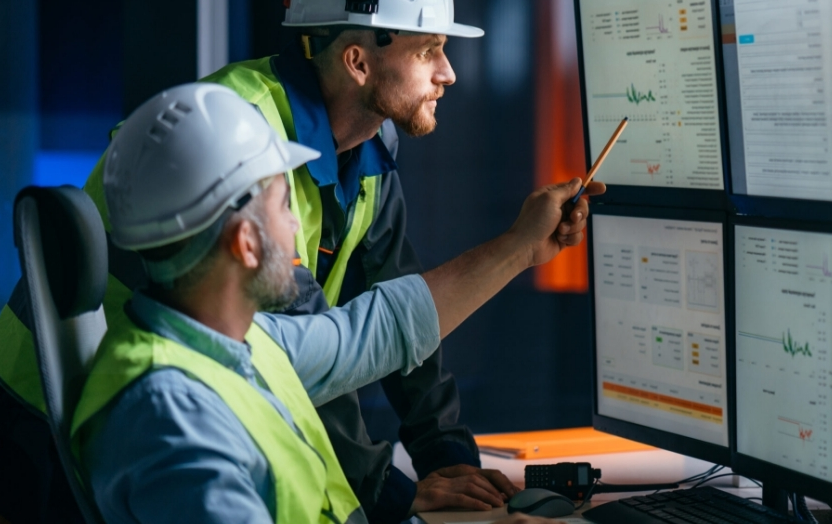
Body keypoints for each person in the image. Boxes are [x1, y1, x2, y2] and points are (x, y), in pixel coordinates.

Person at [0, 0, 567, 523]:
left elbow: (389, 322)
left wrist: (447, 460)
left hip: (172, 393)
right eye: (429, 50)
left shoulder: (367, 150)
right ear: (358, 60)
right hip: (52, 406)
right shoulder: (237, 143)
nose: (448, 72)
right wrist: (392, 495)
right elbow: (313, 362)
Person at [77, 81, 600, 523]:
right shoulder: (173, 418)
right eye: (285, 205)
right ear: (246, 243)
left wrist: (521, 248)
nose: (297, 226)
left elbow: (375, 332)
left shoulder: (234, 344)